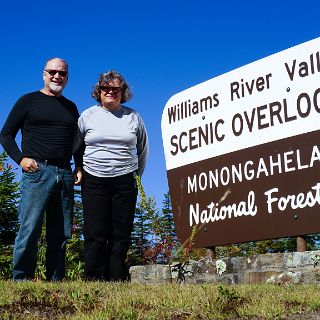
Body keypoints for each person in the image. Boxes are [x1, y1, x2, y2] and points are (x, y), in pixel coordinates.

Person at [0, 58, 82, 281]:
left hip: (64, 173)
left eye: (62, 73)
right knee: (30, 228)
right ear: (44, 74)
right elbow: (5, 134)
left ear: (67, 77)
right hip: (37, 171)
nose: (57, 76)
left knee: (61, 232)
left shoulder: (71, 107)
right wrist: (20, 159)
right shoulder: (28, 100)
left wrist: (79, 166)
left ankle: (55, 281)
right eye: (52, 72)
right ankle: (21, 280)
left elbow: (77, 140)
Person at [74, 70, 149, 281]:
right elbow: (76, 145)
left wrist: (136, 178)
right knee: (95, 232)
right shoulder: (87, 116)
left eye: (115, 89)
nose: (110, 92)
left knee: (121, 233)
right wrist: (79, 167)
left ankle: (116, 277)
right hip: (94, 180)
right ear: (98, 92)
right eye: (105, 88)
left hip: (125, 180)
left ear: (122, 92)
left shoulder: (133, 117)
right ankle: (93, 278)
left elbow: (143, 150)